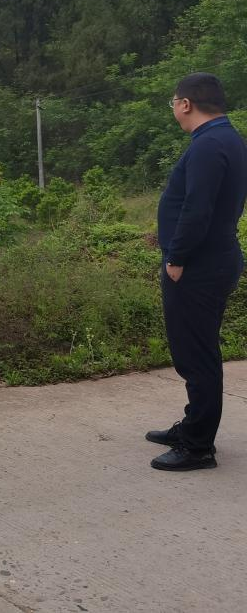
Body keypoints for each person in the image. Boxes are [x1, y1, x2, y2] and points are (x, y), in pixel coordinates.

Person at [148, 73, 246, 471]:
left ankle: (197, 446)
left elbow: (197, 208)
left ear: (185, 104)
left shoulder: (208, 145)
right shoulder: (228, 139)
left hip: (197, 266)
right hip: (215, 258)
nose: (173, 108)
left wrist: (176, 257)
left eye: (173, 102)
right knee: (199, 351)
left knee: (196, 356)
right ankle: (193, 426)